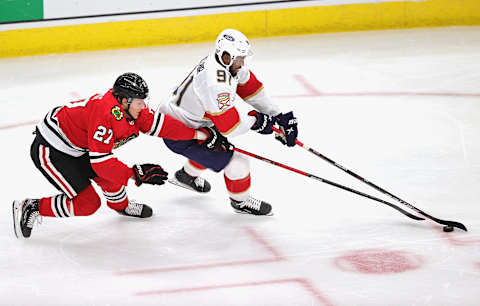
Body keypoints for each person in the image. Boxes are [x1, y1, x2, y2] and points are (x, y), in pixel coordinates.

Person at [12, 72, 231, 239]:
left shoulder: (130, 109)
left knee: (111, 178)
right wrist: (135, 174)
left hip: (80, 146)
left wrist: (199, 134)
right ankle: (31, 206)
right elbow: (101, 162)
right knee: (87, 204)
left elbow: (160, 125)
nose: (143, 106)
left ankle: (120, 205)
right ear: (124, 101)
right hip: (52, 149)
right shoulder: (105, 115)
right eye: (139, 102)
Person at [159, 28, 299, 216]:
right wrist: (257, 121)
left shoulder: (225, 63)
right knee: (238, 164)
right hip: (179, 132)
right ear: (226, 56)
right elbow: (230, 128)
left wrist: (278, 115)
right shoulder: (215, 82)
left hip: (194, 122)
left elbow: (251, 89)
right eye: (239, 58)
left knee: (216, 144)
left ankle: (186, 176)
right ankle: (240, 202)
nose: (242, 63)